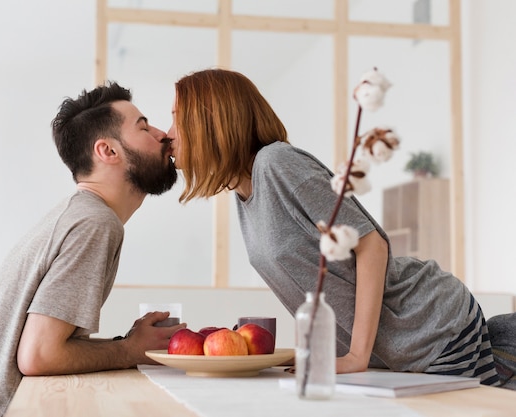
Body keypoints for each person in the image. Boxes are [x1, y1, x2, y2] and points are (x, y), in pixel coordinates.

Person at [167, 68, 500, 386]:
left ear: (211, 123)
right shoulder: (244, 193)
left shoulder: (276, 164)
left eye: (176, 120)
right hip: (394, 351)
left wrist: (356, 355)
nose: (168, 135)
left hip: (431, 326)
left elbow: (371, 244)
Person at [0, 82, 185, 417]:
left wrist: (127, 344)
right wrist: (128, 351)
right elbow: (39, 355)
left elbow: (42, 348)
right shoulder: (94, 223)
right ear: (108, 151)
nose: (163, 134)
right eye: (144, 127)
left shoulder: (82, 215)